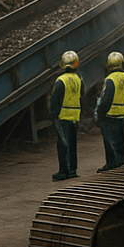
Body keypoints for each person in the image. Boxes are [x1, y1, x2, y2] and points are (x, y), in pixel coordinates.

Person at [48, 50, 81, 181]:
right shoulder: (79, 79)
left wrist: (53, 115)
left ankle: (63, 171)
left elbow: (55, 100)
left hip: (63, 117)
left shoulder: (61, 80)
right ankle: (72, 169)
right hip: (75, 116)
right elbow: (81, 97)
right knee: (73, 144)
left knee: (63, 145)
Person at [95, 51, 124, 172]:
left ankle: (112, 164)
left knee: (109, 142)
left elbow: (106, 99)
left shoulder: (110, 79)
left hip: (111, 114)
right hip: (122, 113)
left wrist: (100, 114)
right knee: (119, 140)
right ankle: (121, 160)